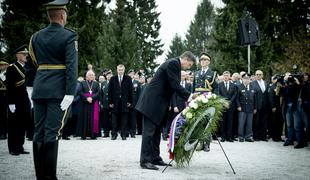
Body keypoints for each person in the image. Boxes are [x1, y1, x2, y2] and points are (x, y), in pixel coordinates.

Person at [28, 0, 78, 179]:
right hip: (58, 91)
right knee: (52, 132)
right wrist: (70, 92)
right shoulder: (68, 36)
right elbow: (72, 67)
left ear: (49, 16)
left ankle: (41, 176)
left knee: (38, 131)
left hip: (40, 88)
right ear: (63, 16)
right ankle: (49, 177)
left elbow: (32, 64)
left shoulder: (36, 37)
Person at [136, 51, 196, 170]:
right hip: (152, 102)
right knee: (149, 132)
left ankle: (155, 157)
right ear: (185, 59)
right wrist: (190, 96)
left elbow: (172, 86)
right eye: (189, 65)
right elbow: (175, 85)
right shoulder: (173, 63)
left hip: (159, 103)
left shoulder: (175, 65)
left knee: (157, 132)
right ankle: (145, 160)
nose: (188, 68)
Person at [6, 45, 32, 156]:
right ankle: (13, 148)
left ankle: (20, 146)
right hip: (15, 100)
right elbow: (10, 86)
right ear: (18, 55)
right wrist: (11, 102)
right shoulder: (12, 67)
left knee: (23, 123)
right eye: (24, 54)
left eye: (26, 54)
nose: (26, 56)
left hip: (24, 99)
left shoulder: (25, 67)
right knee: (14, 124)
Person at [192, 52, 217, 152]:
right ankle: (198, 142)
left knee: (207, 122)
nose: (202, 61)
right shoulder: (196, 73)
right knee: (197, 121)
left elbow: (216, 88)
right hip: (197, 100)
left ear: (209, 62)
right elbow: (193, 88)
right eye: (201, 60)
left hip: (208, 100)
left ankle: (206, 143)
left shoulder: (213, 73)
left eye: (204, 60)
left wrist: (214, 101)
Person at [108, 64, 133, 140]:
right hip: (115, 102)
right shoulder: (112, 78)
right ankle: (114, 134)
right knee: (114, 120)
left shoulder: (128, 78)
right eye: (119, 70)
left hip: (125, 102)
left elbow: (130, 91)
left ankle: (123, 135)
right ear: (117, 70)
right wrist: (110, 102)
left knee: (124, 120)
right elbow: (110, 91)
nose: (120, 71)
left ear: (124, 70)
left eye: (122, 70)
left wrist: (130, 101)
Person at [76, 70, 100, 139]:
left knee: (93, 119)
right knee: (84, 118)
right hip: (84, 104)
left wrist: (92, 98)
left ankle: (93, 135)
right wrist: (87, 98)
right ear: (86, 76)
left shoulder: (96, 83)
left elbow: (98, 93)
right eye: (89, 75)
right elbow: (80, 92)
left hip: (93, 103)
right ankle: (83, 134)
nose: (91, 76)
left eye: (92, 75)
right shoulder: (82, 83)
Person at [215, 71, 237, 142]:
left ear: (229, 76)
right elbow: (218, 94)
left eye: (227, 76)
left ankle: (229, 137)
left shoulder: (233, 85)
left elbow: (234, 94)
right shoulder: (219, 85)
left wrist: (229, 102)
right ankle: (223, 137)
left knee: (230, 122)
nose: (226, 77)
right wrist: (224, 102)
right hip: (222, 105)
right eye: (225, 76)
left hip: (231, 106)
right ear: (223, 76)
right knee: (223, 122)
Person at [236, 73, 257, 142]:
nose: (246, 80)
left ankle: (248, 136)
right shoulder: (239, 87)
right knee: (241, 123)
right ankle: (241, 136)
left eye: (248, 79)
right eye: (245, 79)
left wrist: (255, 108)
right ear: (242, 79)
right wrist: (238, 106)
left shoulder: (253, 87)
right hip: (242, 108)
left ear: (250, 80)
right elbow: (237, 98)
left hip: (250, 108)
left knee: (249, 123)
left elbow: (255, 99)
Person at [251, 70, 269, 141]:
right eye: (257, 74)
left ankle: (263, 136)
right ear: (255, 75)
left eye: (260, 74)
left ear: (262, 75)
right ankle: (256, 136)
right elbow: (252, 96)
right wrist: (254, 107)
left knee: (264, 122)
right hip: (257, 106)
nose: (258, 76)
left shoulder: (265, 83)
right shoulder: (252, 83)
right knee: (256, 122)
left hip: (265, 106)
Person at [0, 58, 9, 140]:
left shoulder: (8, 74)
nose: (1, 66)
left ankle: (3, 132)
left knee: (3, 114)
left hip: (5, 94)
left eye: (3, 65)